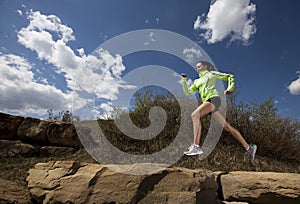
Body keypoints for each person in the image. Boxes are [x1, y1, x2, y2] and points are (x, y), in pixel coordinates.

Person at [181, 61, 257, 162]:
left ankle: (196, 145)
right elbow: (188, 92)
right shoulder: (197, 81)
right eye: (196, 67)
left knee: (195, 115)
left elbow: (229, 76)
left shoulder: (211, 74)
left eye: (199, 66)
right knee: (227, 127)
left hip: (213, 99)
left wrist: (230, 88)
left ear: (205, 66)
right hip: (208, 104)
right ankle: (249, 147)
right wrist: (184, 80)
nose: (197, 68)